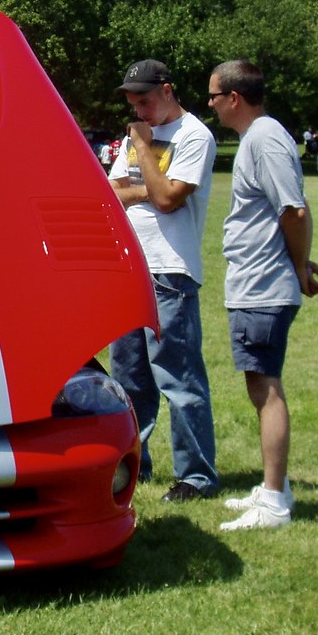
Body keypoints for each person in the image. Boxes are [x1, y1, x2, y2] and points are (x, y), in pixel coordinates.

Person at [208, 60, 318, 530]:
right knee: (260, 385)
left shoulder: (265, 137)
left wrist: (297, 266)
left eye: (213, 96)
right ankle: (277, 486)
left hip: (263, 286)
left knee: (265, 388)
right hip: (256, 282)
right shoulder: (261, 138)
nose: (209, 104)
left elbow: (293, 210)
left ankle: (273, 501)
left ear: (234, 97)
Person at [108, 59, 218, 501]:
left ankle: (196, 477)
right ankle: (138, 464)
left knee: (179, 377)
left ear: (168, 90)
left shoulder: (195, 136)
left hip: (171, 269)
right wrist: (145, 187)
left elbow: (170, 198)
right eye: (134, 104)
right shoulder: (140, 133)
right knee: (129, 378)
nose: (140, 111)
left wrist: (143, 148)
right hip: (130, 266)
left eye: (146, 101)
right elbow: (110, 190)